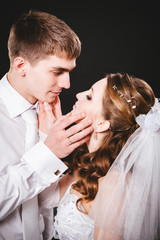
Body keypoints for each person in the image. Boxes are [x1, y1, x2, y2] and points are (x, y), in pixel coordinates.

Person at [0, 10, 94, 240]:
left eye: (69, 71)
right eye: (57, 71)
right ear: (21, 65)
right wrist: (47, 152)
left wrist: (45, 138)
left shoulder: (49, 117)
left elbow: (43, 201)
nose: (67, 83)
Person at [39, 72, 160, 240]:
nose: (78, 94)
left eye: (89, 97)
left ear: (102, 123)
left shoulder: (113, 185)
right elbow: (41, 201)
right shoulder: (86, 165)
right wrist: (47, 136)